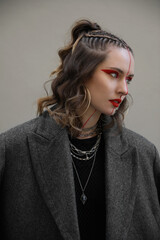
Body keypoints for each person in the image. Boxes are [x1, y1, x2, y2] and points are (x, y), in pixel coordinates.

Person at [0, 19, 160, 240]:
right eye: (114, 74)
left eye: (129, 80)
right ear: (82, 72)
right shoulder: (11, 148)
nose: (124, 89)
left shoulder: (144, 154)